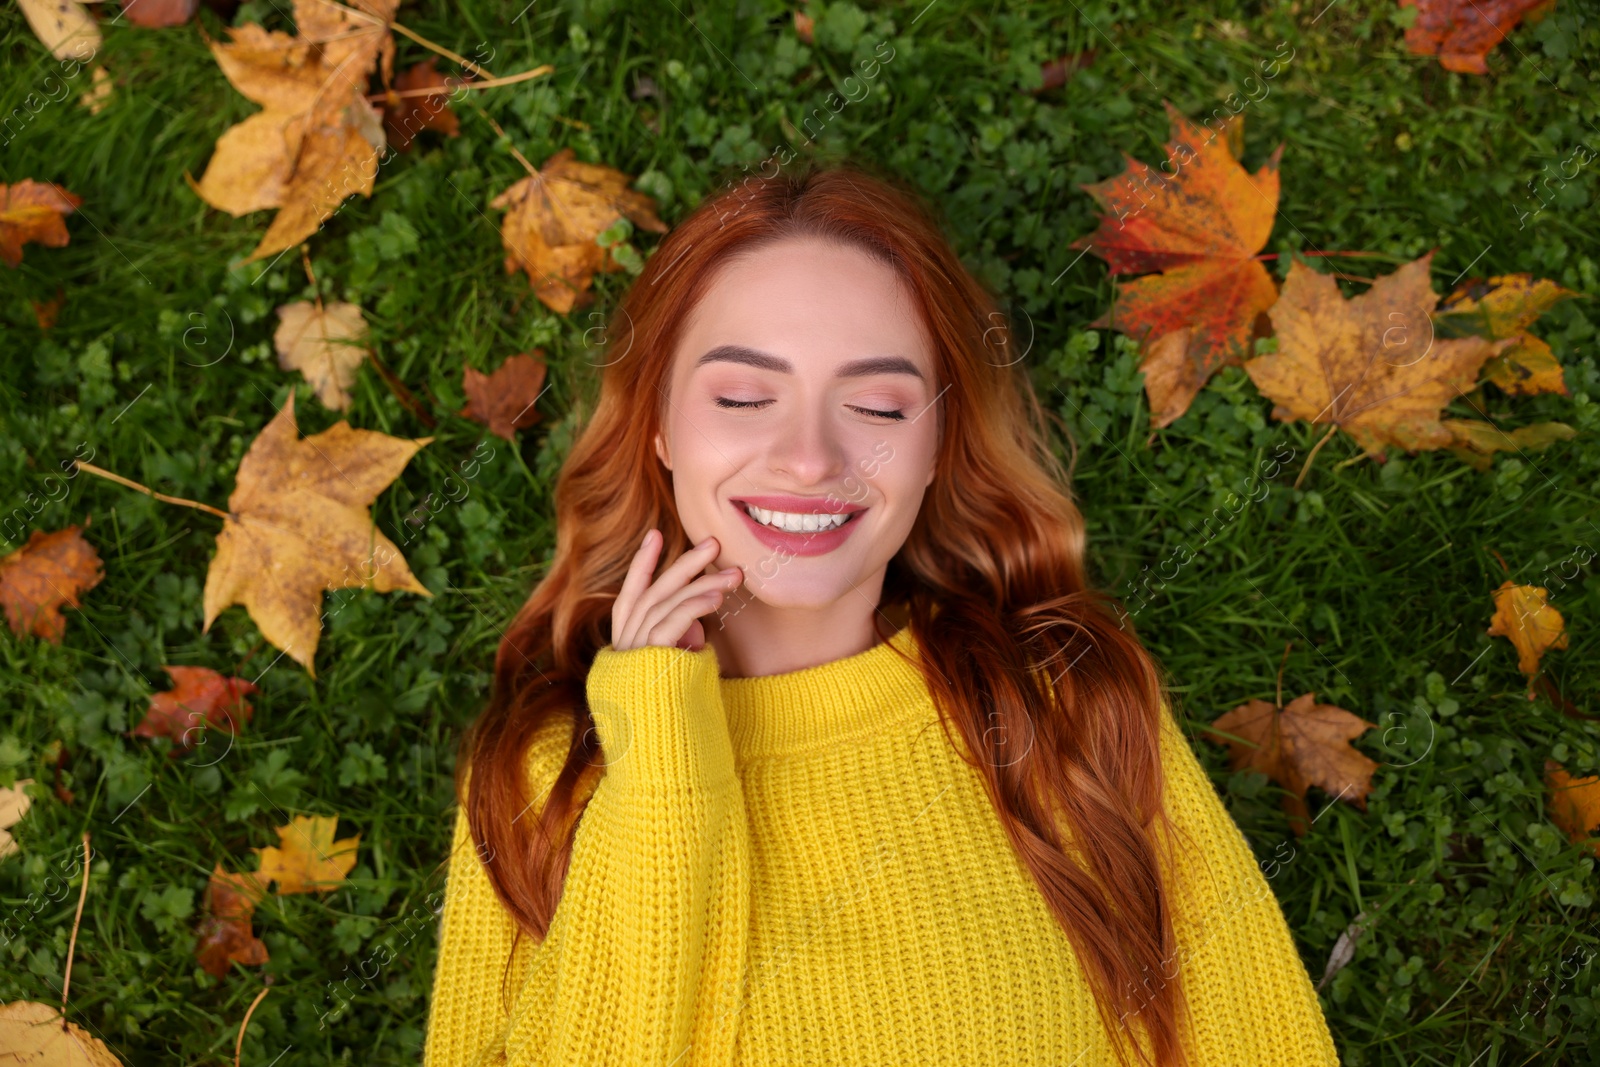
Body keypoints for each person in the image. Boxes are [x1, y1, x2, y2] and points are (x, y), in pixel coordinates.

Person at [421, 160, 1340, 1066]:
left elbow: (1249, 1032)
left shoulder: (1066, 708)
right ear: (657, 422)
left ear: (940, 442)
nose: (812, 457)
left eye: (875, 404)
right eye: (744, 396)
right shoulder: (541, 779)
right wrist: (659, 760)